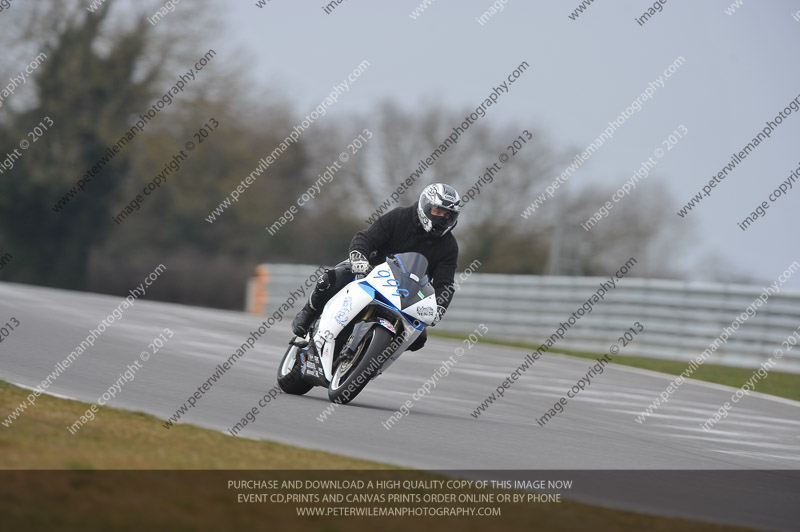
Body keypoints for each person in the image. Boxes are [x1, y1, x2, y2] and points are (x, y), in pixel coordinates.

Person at [291, 183, 462, 351]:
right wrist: (359, 257)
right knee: (333, 278)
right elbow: (366, 238)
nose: (442, 218)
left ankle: (376, 358)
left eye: (448, 215)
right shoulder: (399, 217)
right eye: (437, 211)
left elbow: (445, 283)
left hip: (406, 295)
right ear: (425, 206)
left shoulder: (449, 247)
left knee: (419, 338)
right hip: (371, 273)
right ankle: (307, 315)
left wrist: (440, 306)